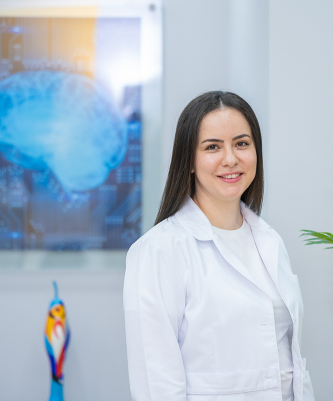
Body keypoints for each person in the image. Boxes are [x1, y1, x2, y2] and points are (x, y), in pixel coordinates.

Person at [123, 91, 315, 401]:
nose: (230, 159)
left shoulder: (270, 241)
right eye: (212, 146)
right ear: (189, 161)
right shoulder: (159, 250)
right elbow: (156, 383)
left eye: (241, 144)